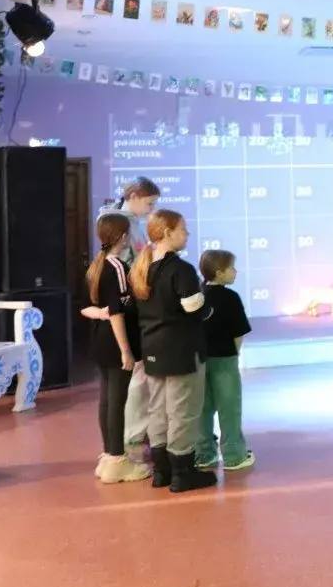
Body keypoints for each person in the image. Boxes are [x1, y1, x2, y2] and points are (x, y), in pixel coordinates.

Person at [130, 209, 217, 492]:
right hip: (182, 350)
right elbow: (195, 309)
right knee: (183, 411)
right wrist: (208, 307)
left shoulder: (142, 269)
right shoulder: (181, 270)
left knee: (158, 409)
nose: (187, 234)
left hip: (152, 348)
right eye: (183, 229)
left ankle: (162, 471)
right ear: (168, 233)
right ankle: (182, 472)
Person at [98, 177, 161, 463]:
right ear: (134, 196)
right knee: (130, 378)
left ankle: (124, 440)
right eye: (149, 203)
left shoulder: (128, 223)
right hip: (128, 311)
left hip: (126, 310)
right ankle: (127, 438)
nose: (151, 209)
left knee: (121, 385)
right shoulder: (121, 227)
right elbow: (122, 287)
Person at [87, 213, 152, 485]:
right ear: (123, 237)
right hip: (116, 342)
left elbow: (90, 308)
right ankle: (117, 459)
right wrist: (126, 350)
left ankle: (108, 455)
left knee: (107, 399)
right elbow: (117, 312)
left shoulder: (97, 265)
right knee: (116, 401)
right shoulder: (116, 267)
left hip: (100, 341)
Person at [194, 249, 255, 472]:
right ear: (219, 273)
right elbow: (238, 332)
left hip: (199, 360)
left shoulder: (196, 295)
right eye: (231, 268)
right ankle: (234, 455)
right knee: (229, 408)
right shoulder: (230, 298)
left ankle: (203, 453)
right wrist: (234, 354)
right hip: (225, 359)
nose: (235, 272)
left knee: (202, 408)